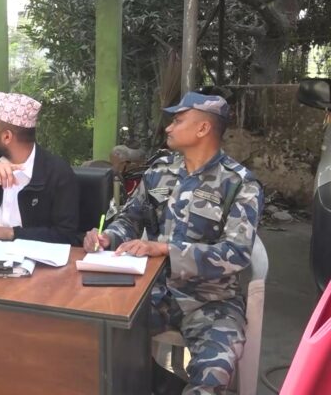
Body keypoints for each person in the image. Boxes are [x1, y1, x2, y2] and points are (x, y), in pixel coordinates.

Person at [84, 92, 264, 395]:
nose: (169, 127)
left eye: (178, 121)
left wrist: (166, 249)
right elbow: (130, 219)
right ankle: (160, 384)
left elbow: (236, 253)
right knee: (98, 341)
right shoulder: (159, 172)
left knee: (213, 374)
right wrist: (108, 237)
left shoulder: (240, 183)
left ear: (203, 128)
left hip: (212, 302)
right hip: (152, 293)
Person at [0, 92, 81, 245]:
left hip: (31, 253)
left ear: (7, 137)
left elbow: (65, 235)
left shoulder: (57, 172)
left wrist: (11, 233)